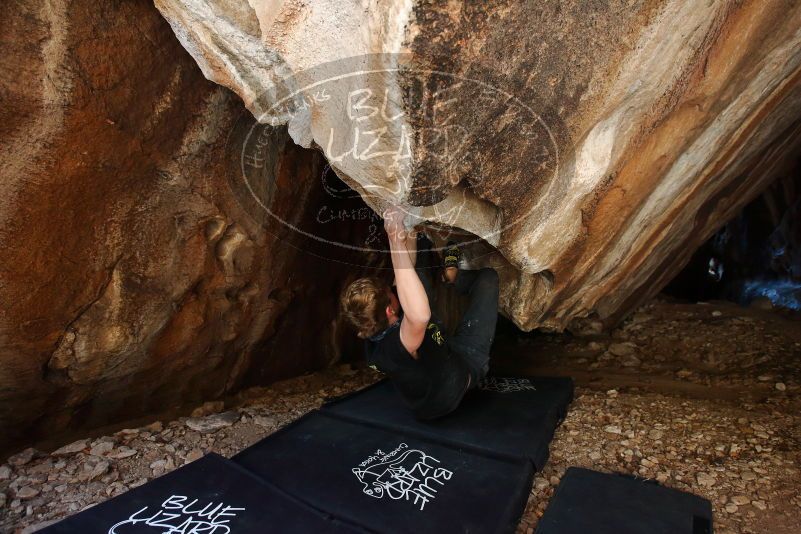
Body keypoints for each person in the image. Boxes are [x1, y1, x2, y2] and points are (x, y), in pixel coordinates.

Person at [340, 205, 500, 419]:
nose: (393, 287)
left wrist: (407, 225)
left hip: (441, 354)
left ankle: (449, 277)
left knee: (414, 278)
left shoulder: (371, 322)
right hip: (463, 370)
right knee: (488, 278)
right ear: (389, 310)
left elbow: (407, 268)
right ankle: (452, 278)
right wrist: (394, 238)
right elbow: (419, 316)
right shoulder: (394, 347)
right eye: (390, 291)